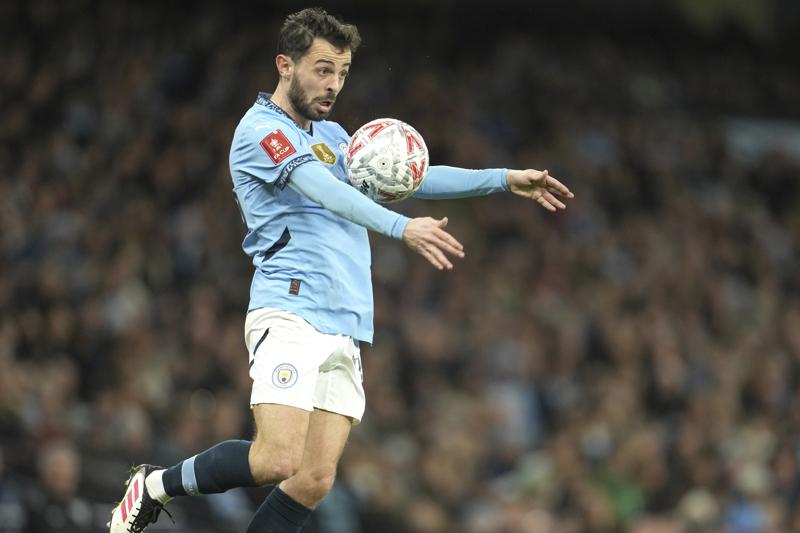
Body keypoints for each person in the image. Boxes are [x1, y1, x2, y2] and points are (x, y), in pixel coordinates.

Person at [108, 7, 573, 533]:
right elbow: (324, 190)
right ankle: (154, 485)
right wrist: (401, 228)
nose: (334, 84)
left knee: (313, 478)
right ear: (285, 65)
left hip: (345, 321)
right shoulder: (261, 131)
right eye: (323, 69)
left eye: (343, 72)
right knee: (275, 459)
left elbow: (408, 176)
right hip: (291, 309)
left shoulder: (331, 134)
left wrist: (503, 178)